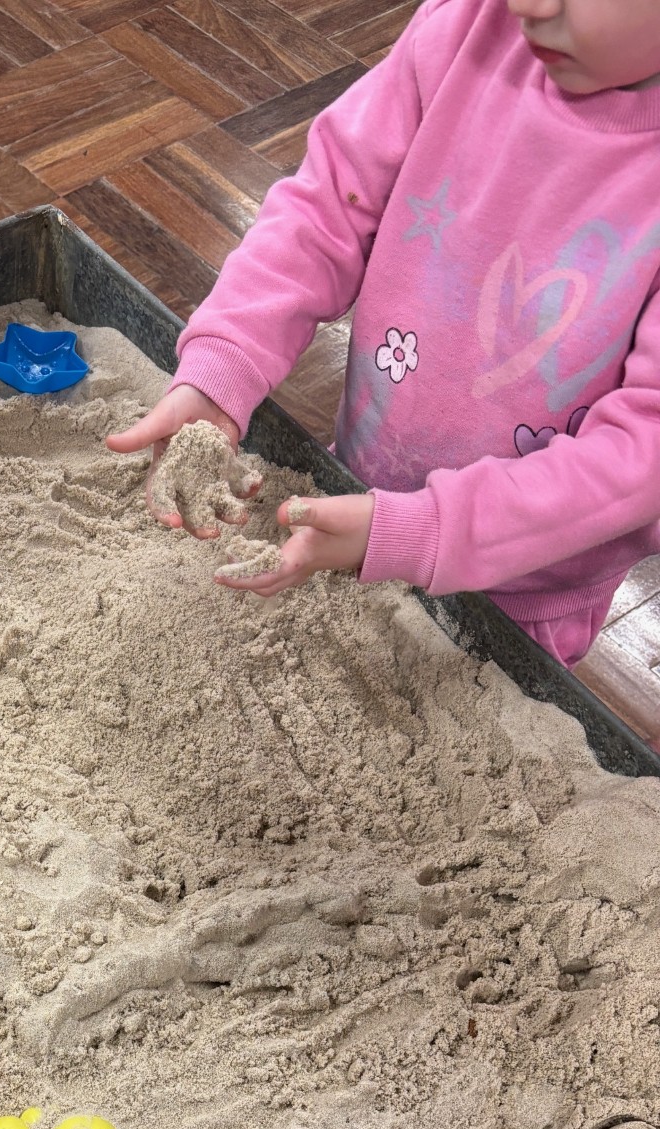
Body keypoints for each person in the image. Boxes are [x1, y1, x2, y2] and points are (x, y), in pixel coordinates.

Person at [107, 0, 660, 669]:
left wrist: (420, 530)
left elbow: (642, 454)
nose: (529, 6)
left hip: (519, 591)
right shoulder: (467, 27)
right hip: (358, 491)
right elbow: (325, 209)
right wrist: (224, 367)